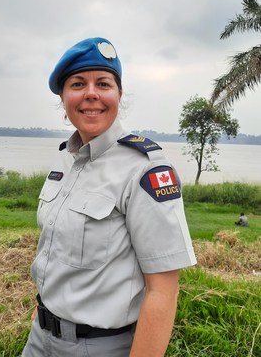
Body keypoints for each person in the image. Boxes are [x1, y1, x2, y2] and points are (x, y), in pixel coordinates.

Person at [21, 37, 197, 357]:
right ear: (64, 98)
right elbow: (54, 256)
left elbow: (163, 290)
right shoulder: (65, 159)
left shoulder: (145, 168)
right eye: (78, 84)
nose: (91, 93)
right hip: (40, 339)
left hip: (100, 347)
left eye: (103, 83)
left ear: (118, 94)